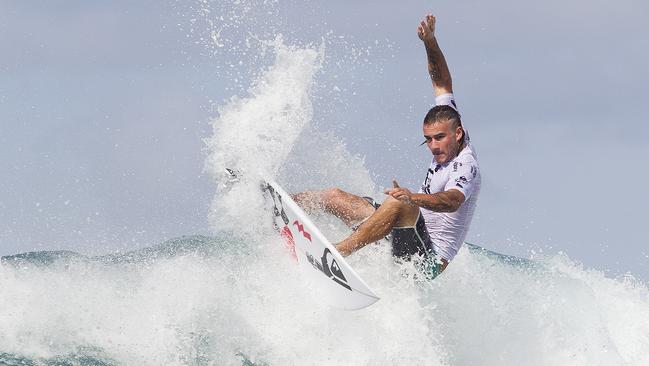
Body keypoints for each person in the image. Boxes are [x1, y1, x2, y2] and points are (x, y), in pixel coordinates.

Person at [293, 13, 481, 277]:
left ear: (458, 133)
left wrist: (412, 198)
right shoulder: (448, 118)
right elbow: (441, 81)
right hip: (406, 234)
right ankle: (279, 208)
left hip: (426, 263)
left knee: (400, 204)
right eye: (428, 139)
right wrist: (429, 41)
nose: (433, 146)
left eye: (440, 138)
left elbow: (451, 201)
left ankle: (335, 255)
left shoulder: (466, 166)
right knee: (334, 196)